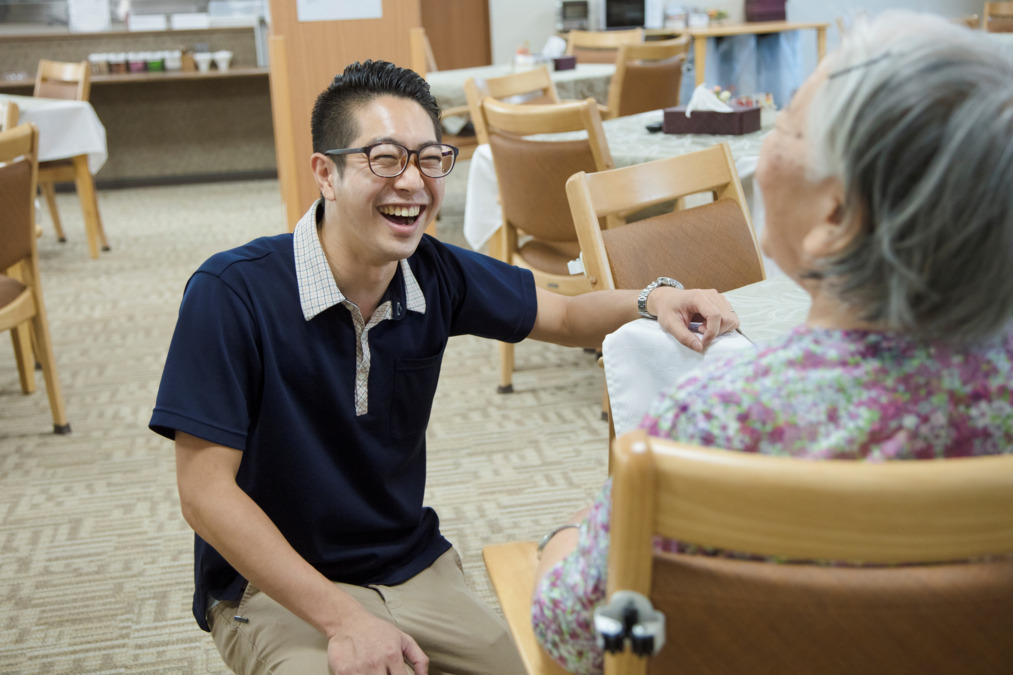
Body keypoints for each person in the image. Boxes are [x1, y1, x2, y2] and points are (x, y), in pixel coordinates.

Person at [149, 59, 738, 675]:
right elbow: (205, 496)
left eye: (430, 160)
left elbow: (563, 316)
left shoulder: (432, 271)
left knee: (550, 664)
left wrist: (654, 299)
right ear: (326, 172)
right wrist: (343, 619)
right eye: (384, 159)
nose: (413, 182)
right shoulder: (231, 292)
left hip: (408, 563)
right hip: (276, 589)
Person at [531, 11, 1013, 674]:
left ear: (836, 217)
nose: (763, 149)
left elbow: (573, 632)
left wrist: (563, 539)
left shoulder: (708, 423)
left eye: (784, 127)